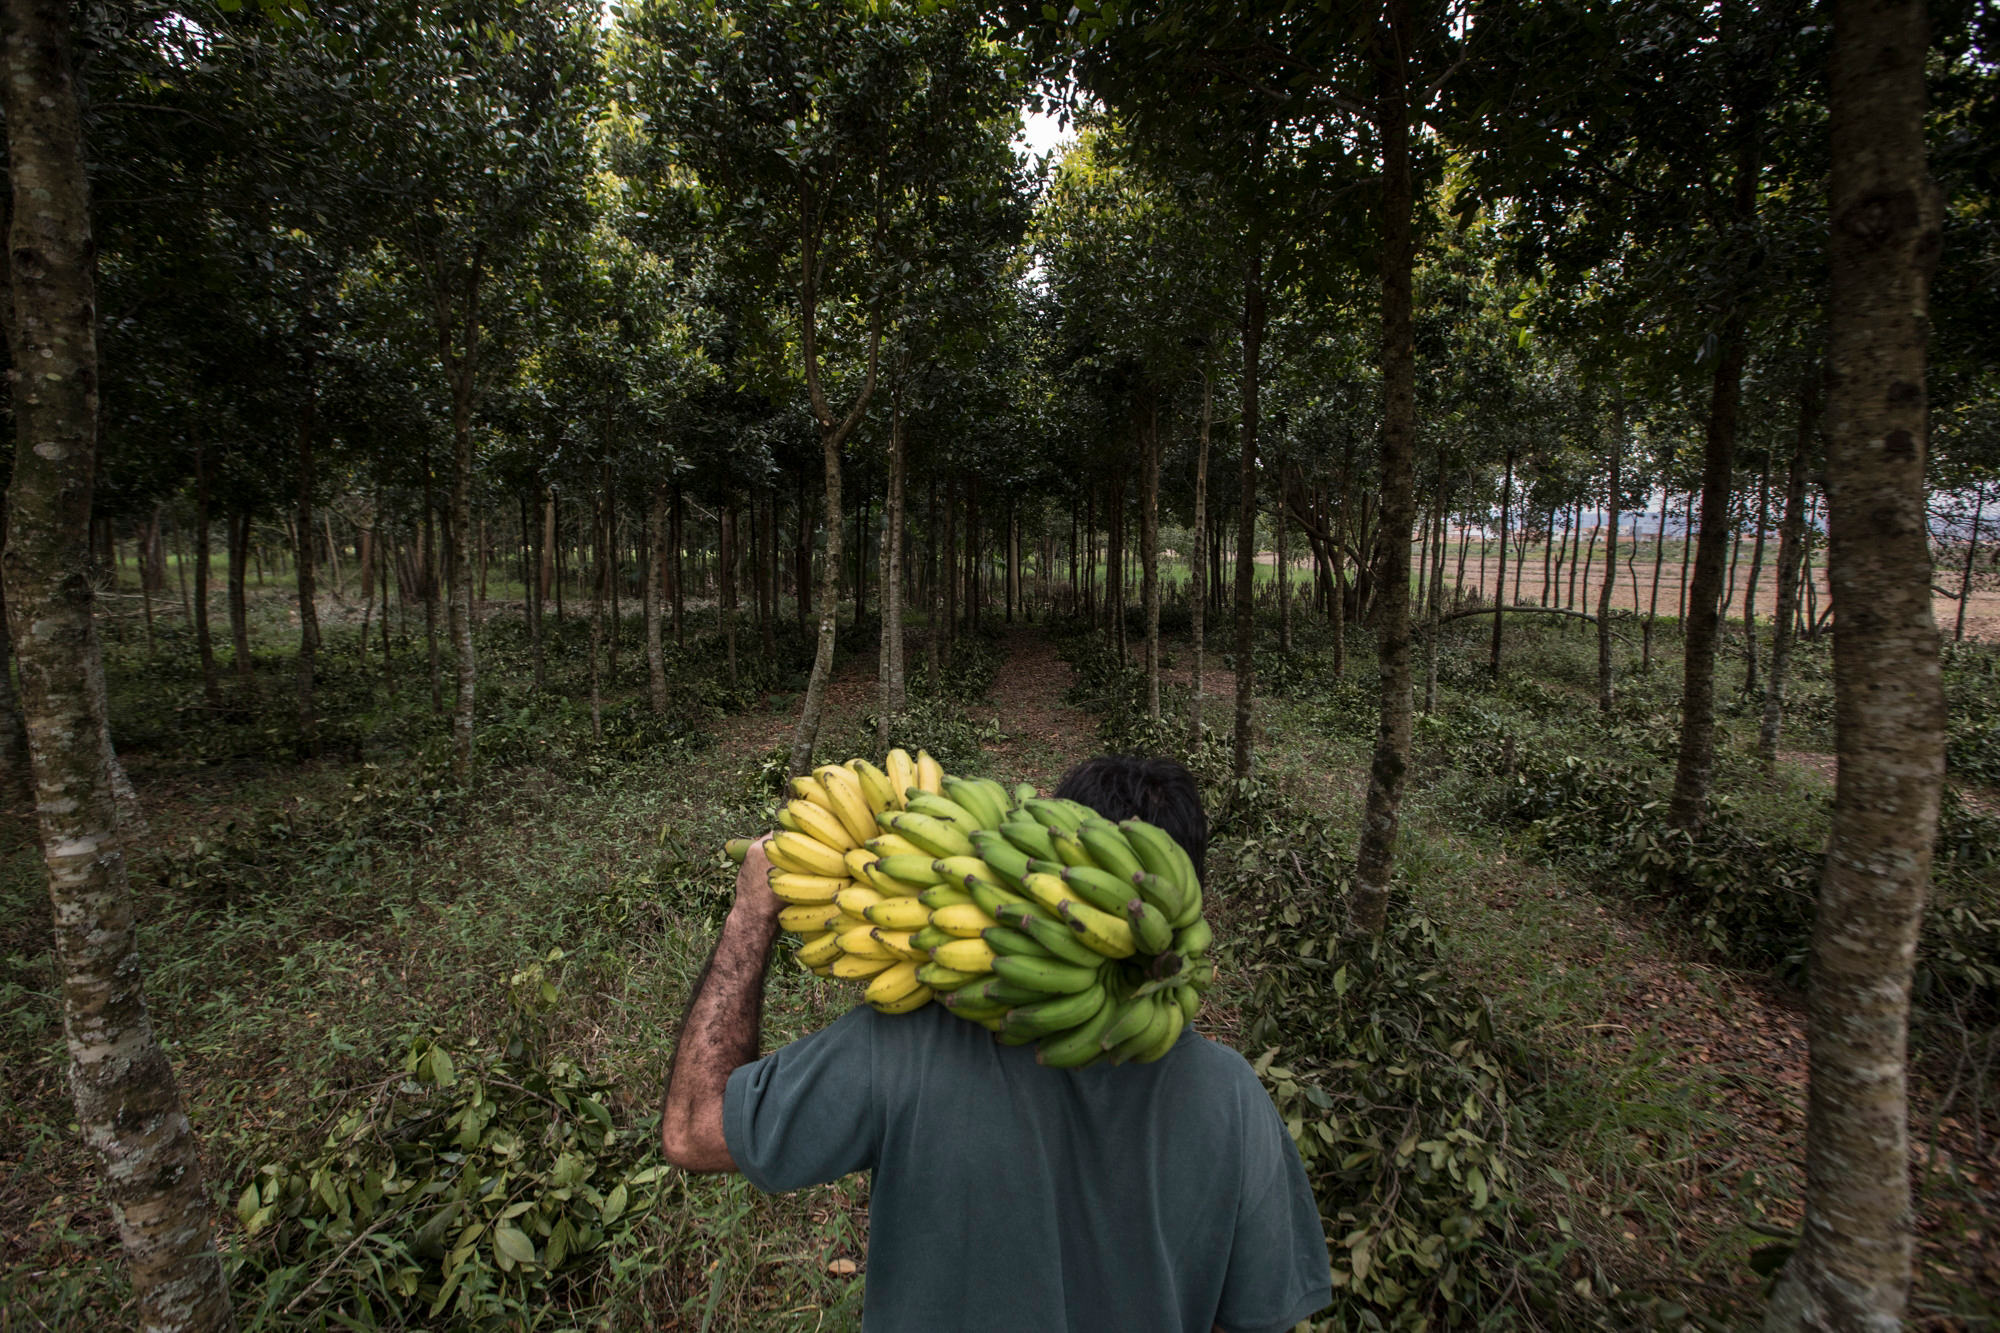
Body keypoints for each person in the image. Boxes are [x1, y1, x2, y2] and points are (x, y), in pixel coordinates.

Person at [660, 755, 1331, 1332]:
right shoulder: (1234, 1098)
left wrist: (752, 912)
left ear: (1041, 869)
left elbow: (693, 1127)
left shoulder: (906, 1043)